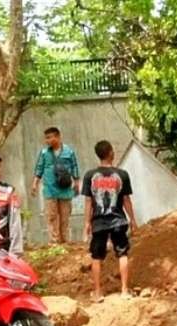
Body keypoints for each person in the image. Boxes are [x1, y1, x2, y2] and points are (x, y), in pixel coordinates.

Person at [82, 140, 138, 302]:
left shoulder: (90, 176)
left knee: (96, 256)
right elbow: (126, 200)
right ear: (111, 153)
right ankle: (125, 291)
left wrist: (86, 224)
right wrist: (133, 220)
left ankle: (98, 293)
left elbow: (88, 202)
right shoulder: (122, 175)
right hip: (118, 221)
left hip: (98, 222)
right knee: (122, 253)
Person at [32, 127, 80, 244]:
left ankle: (65, 240)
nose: (47, 140)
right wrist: (35, 184)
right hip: (49, 189)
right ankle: (54, 241)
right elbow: (39, 168)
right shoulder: (44, 153)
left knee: (65, 216)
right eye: (46, 138)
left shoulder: (69, 152)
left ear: (58, 137)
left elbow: (74, 166)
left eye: (49, 137)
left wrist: (77, 182)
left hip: (65, 188)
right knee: (51, 216)